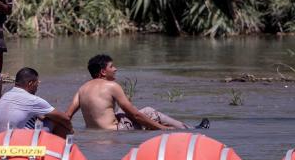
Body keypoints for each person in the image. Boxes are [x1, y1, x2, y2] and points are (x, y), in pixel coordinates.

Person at [65, 54, 203, 131]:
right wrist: (161, 128)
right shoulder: (112, 86)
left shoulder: (82, 89)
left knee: (120, 111)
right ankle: (188, 129)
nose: (115, 69)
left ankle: (182, 128)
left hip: (95, 134)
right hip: (115, 132)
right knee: (149, 112)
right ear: (102, 72)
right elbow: (135, 115)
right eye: (112, 66)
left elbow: (67, 116)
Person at [0, 67, 74, 138]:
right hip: (16, 145)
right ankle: (61, 152)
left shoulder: (5, 96)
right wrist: (70, 130)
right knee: (56, 120)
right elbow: (64, 118)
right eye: (37, 83)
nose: (37, 87)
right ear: (30, 83)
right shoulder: (32, 100)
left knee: (44, 117)